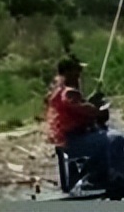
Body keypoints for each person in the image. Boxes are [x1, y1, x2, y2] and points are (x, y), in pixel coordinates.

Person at [45, 55, 111, 187]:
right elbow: (89, 111)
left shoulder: (58, 88)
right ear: (68, 71)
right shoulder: (68, 92)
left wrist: (92, 101)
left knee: (100, 137)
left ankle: (77, 181)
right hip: (71, 139)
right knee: (112, 141)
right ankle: (98, 180)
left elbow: (77, 108)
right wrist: (99, 109)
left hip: (64, 138)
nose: (80, 74)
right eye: (77, 70)